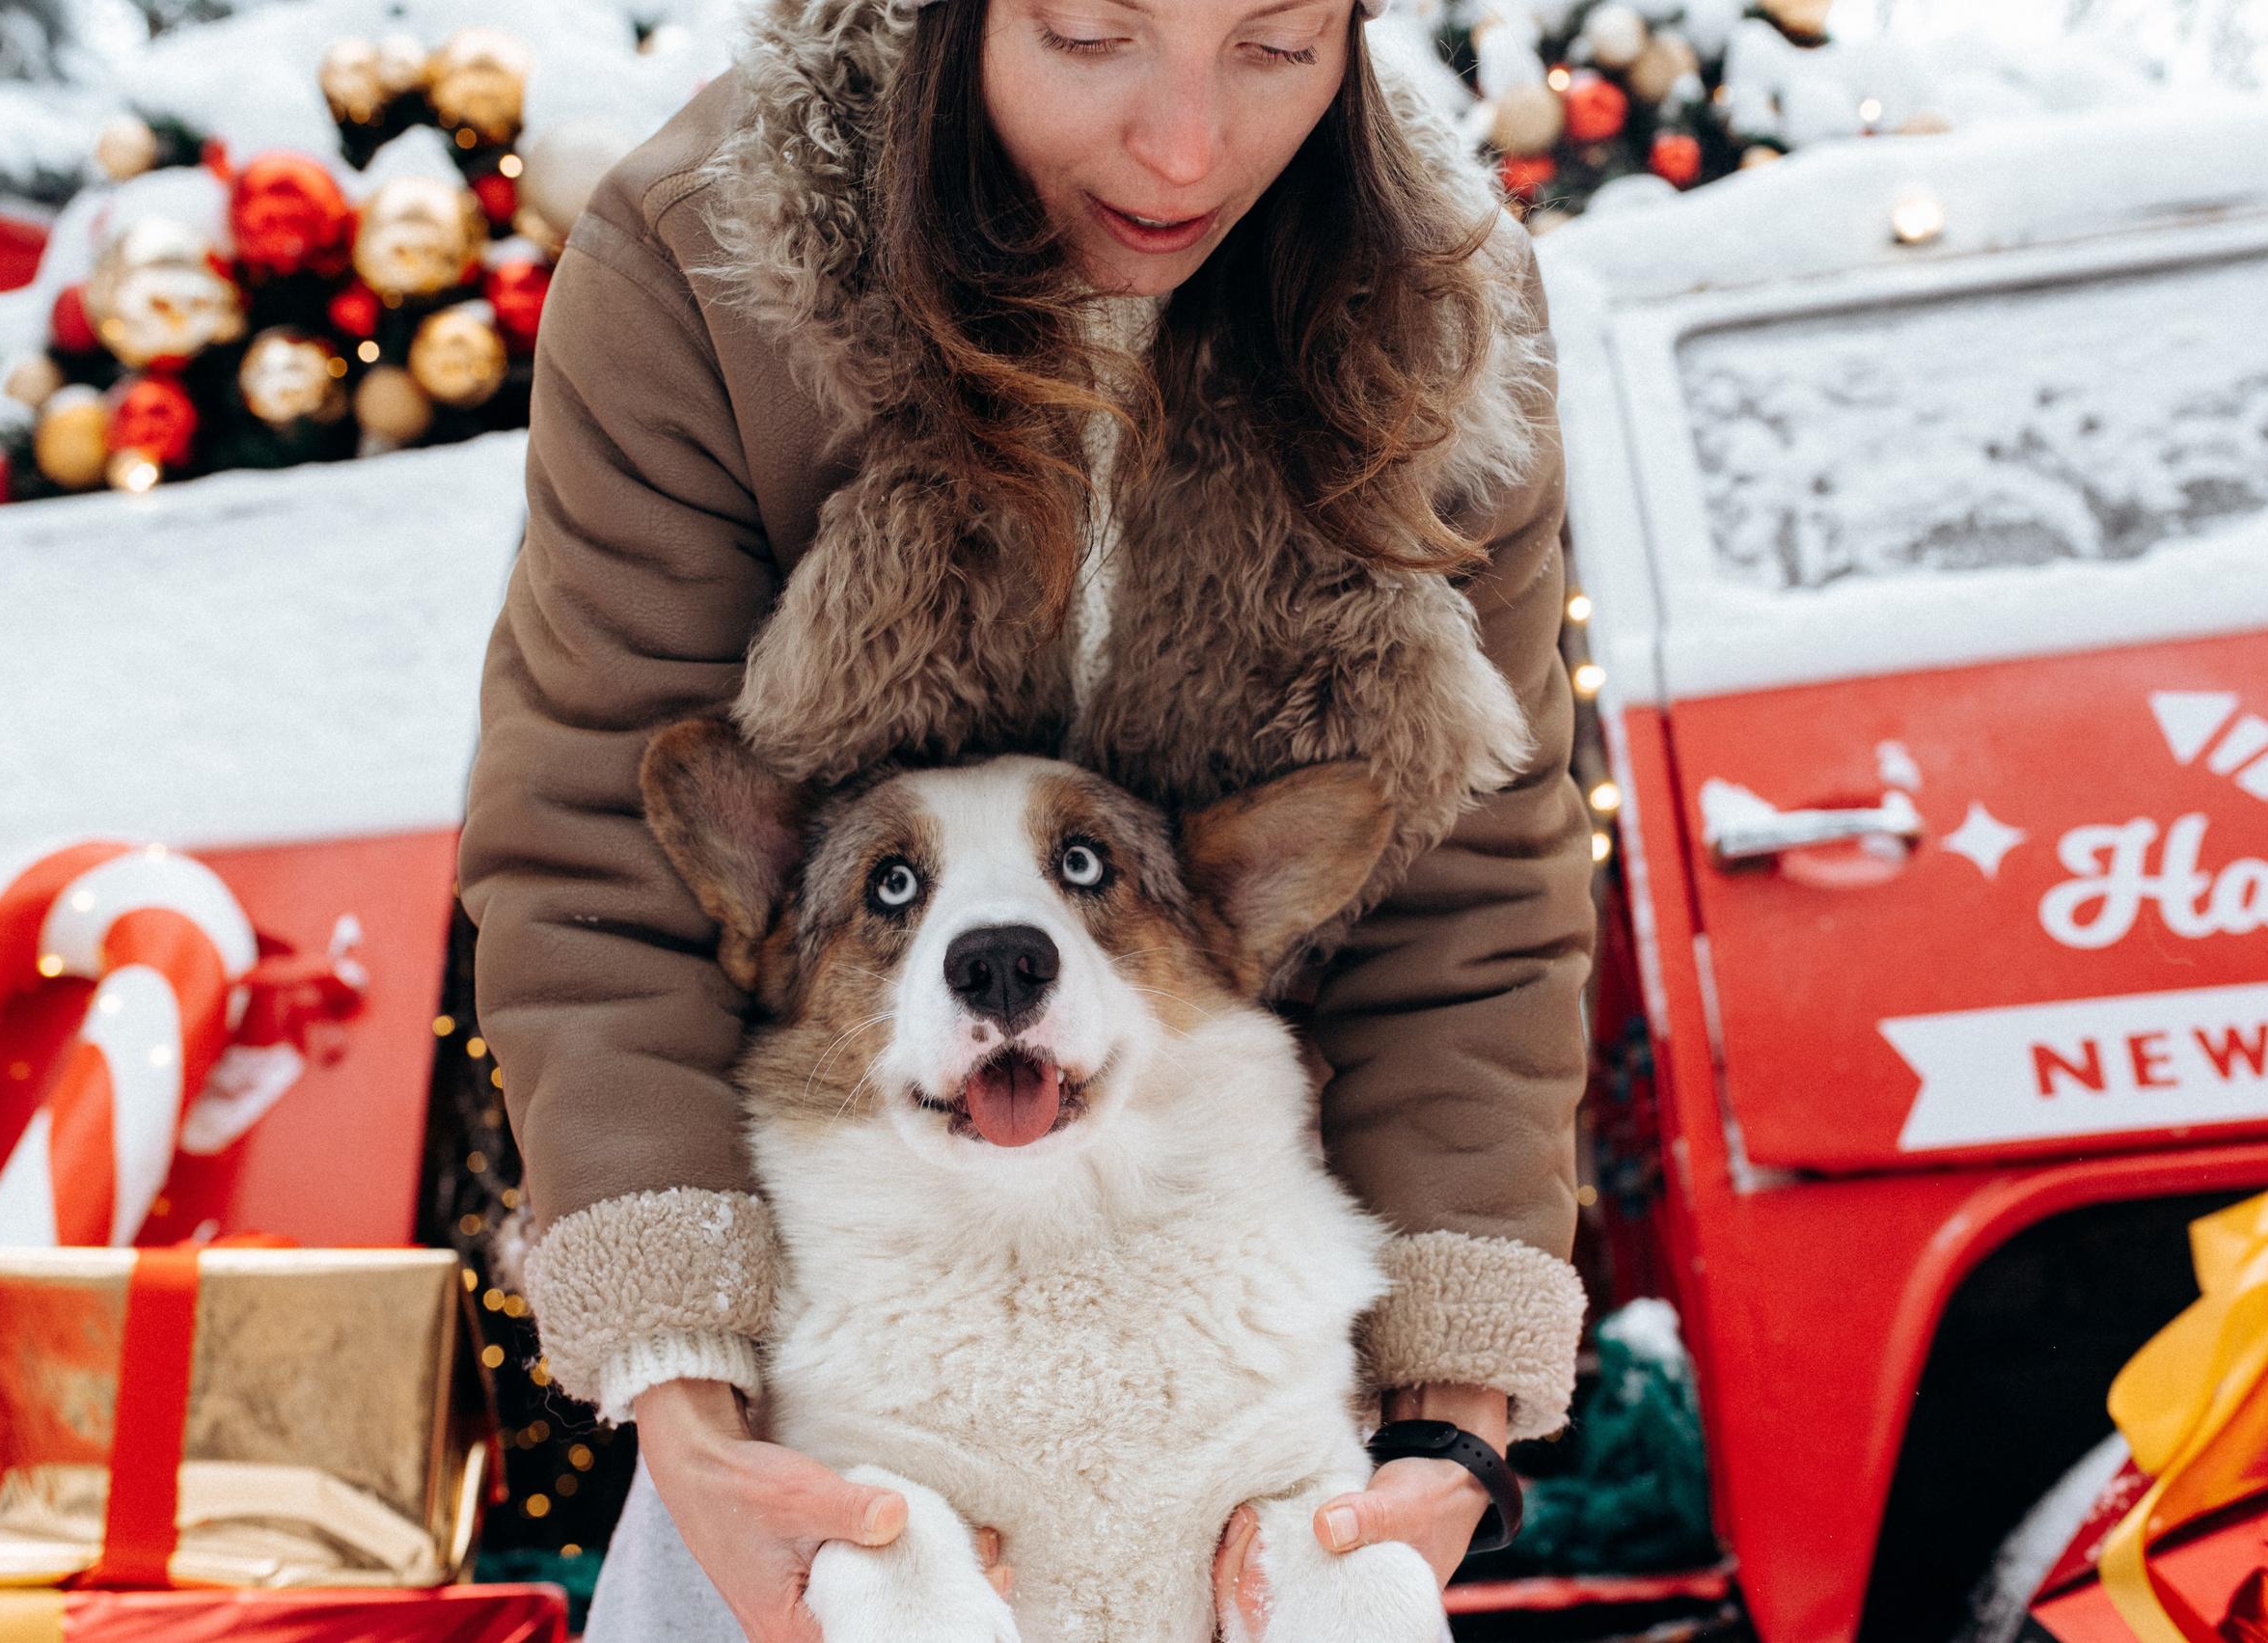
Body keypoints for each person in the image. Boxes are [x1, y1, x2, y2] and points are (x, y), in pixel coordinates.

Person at [458, 0, 1595, 1636]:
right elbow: (593, 845)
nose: (1189, 147)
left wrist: (1447, 1429)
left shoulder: (1443, 313)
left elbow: (1471, 890)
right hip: (846, 1353)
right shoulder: (703, 258)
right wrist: (696, 1418)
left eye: (1275, 46)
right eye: (1088, 36)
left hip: (1233, 1324)